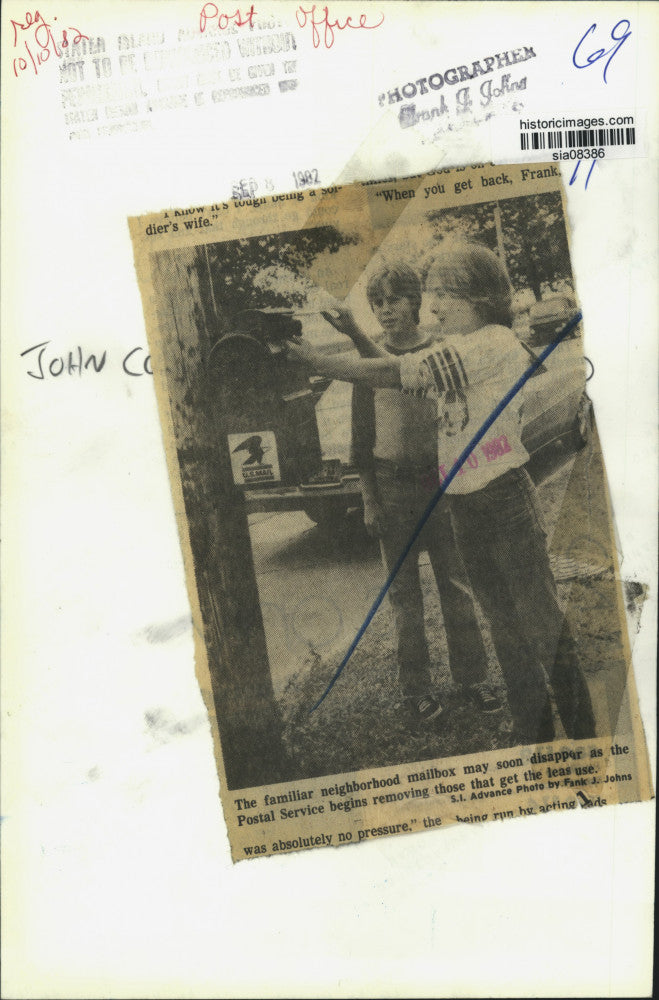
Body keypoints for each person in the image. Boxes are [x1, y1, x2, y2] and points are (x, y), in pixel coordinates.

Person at [288, 243, 596, 746]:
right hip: (464, 502)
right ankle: (534, 732)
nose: (433, 308)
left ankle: (584, 732)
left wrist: (317, 360)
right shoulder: (461, 348)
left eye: (443, 296)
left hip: (503, 499)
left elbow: (390, 373)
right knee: (501, 623)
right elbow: (398, 369)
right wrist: (355, 335)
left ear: (474, 296)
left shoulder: (491, 343)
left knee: (538, 617)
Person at [319, 262, 499, 725]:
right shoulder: (367, 366)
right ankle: (415, 690)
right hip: (392, 490)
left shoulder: (440, 352)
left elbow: (447, 406)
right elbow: (362, 443)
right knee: (404, 596)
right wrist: (370, 499)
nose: (385, 309)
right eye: (377, 302)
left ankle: (473, 682)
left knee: (456, 587)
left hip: (440, 486)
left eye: (395, 299)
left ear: (416, 301)